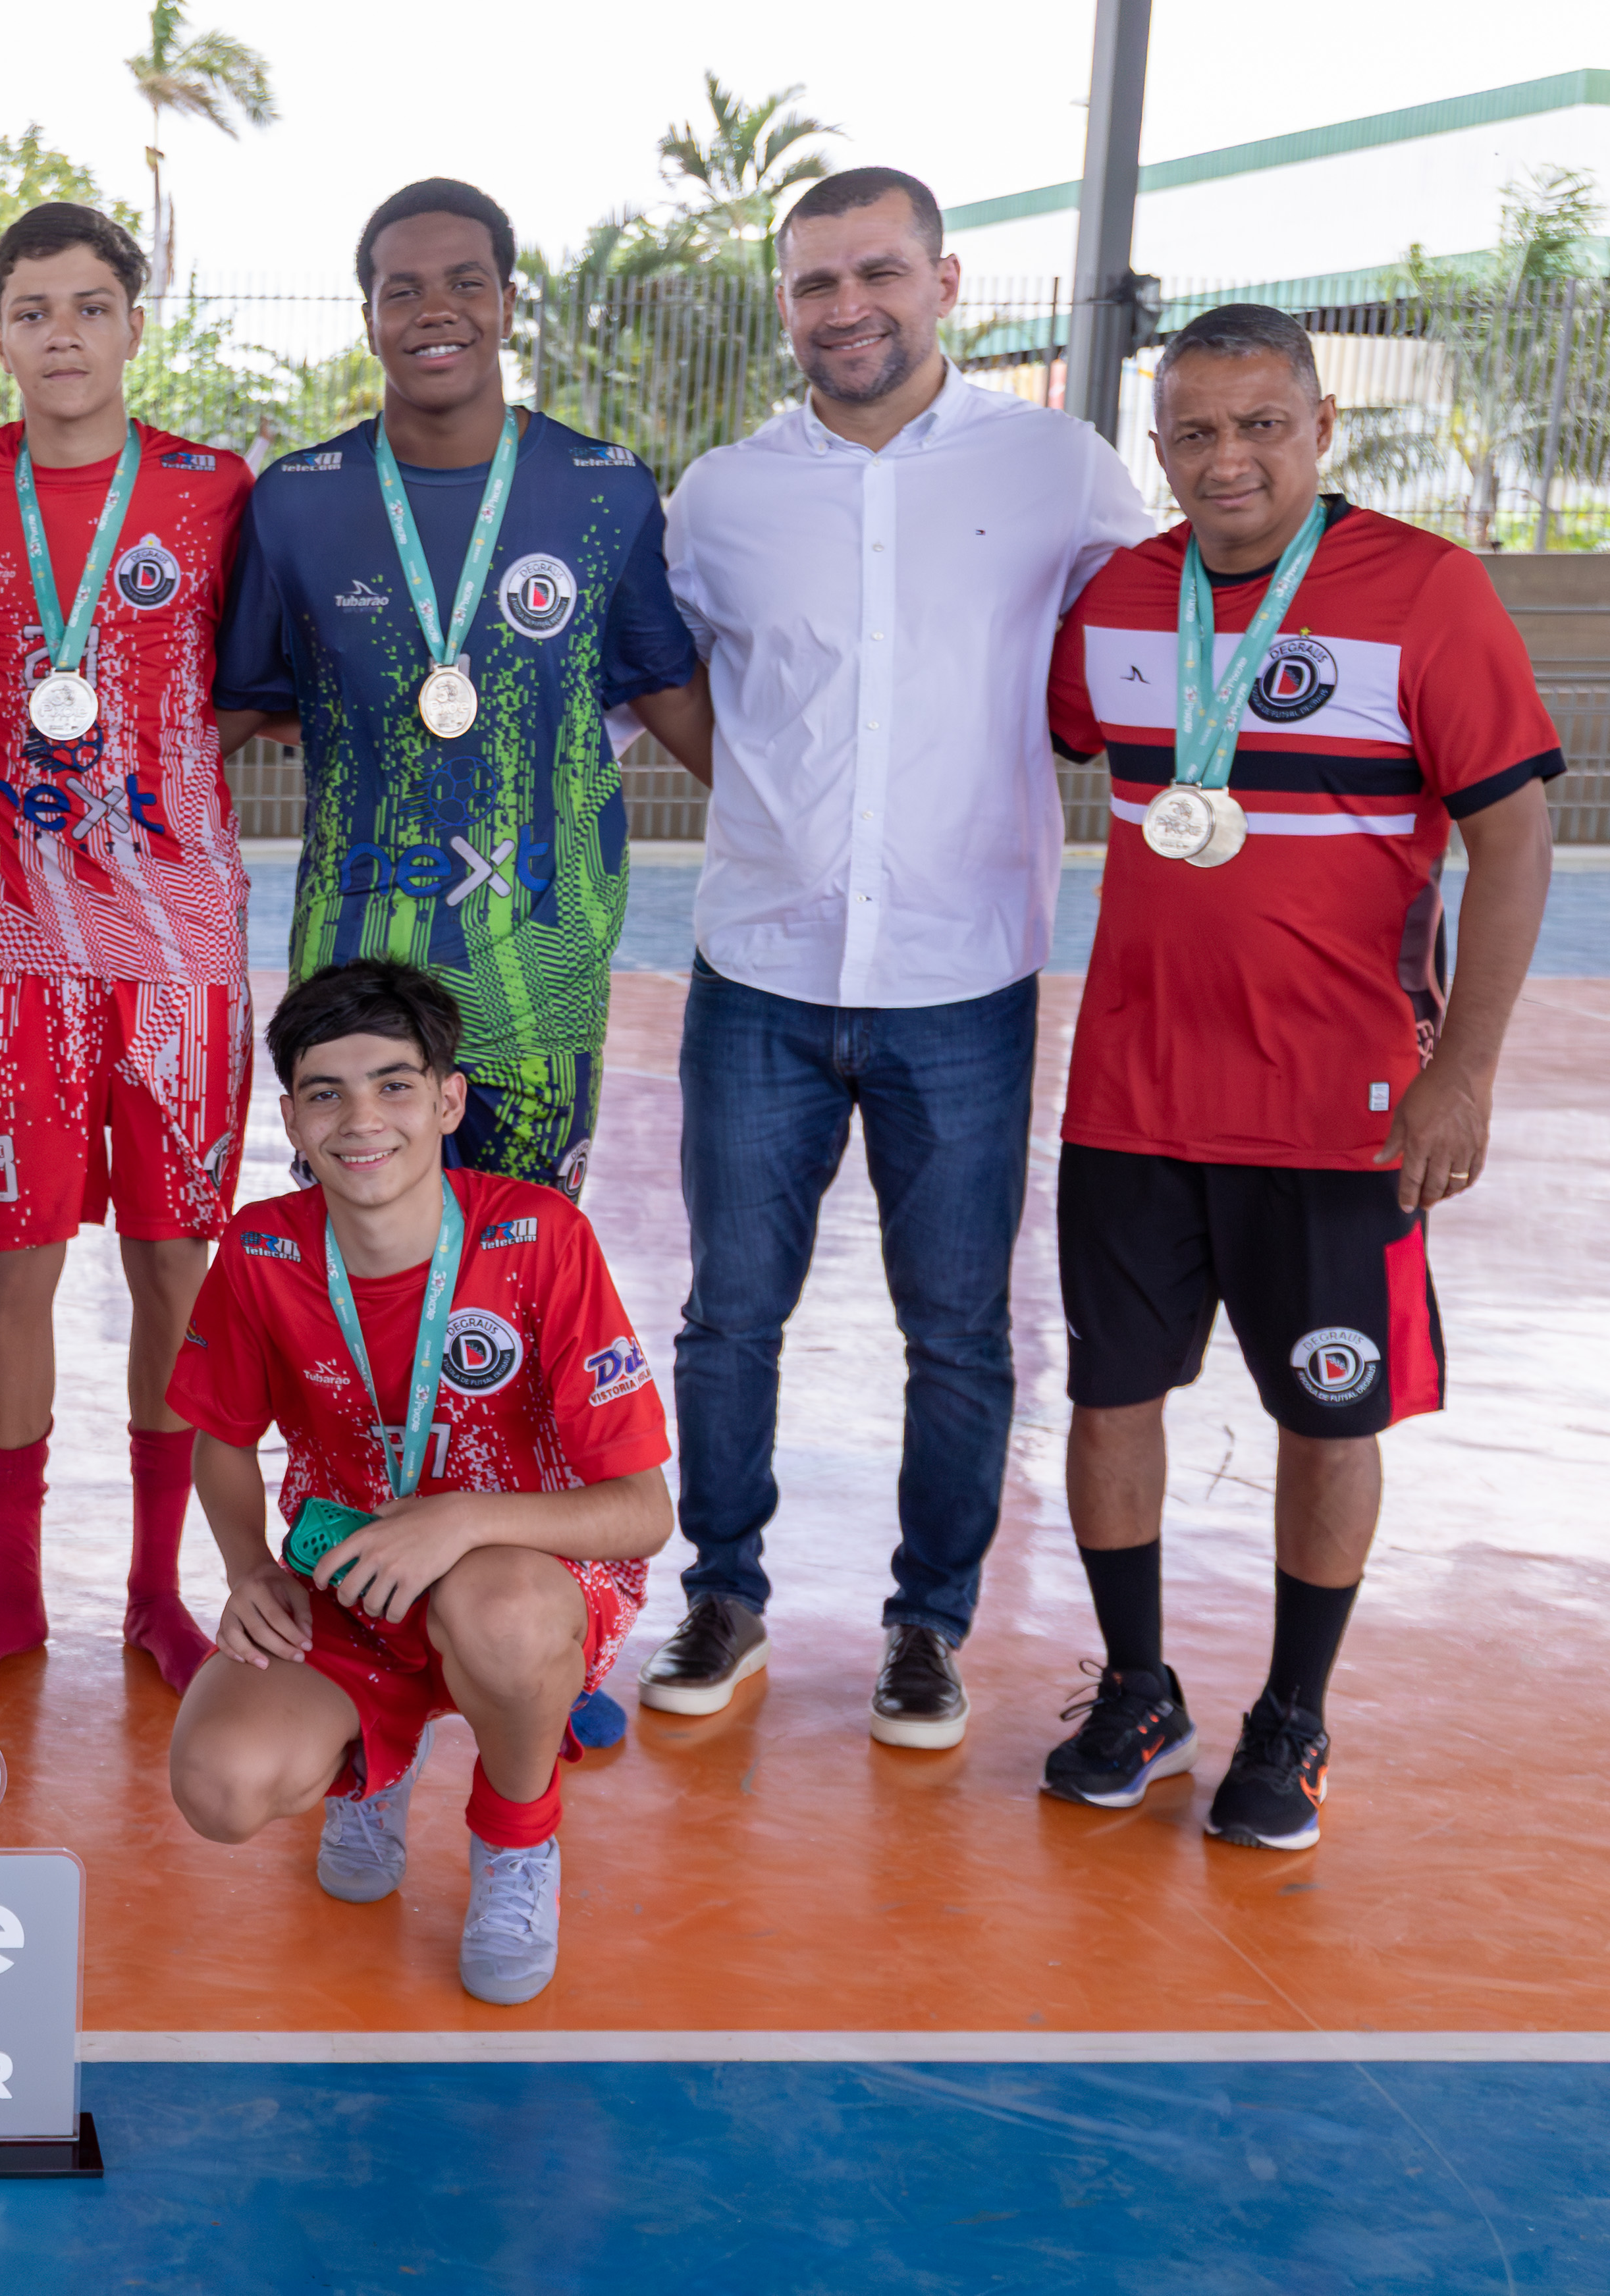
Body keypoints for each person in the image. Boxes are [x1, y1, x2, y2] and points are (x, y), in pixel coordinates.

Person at [643, 169, 1155, 1749]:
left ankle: (928, 1624)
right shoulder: (723, 495)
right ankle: (722, 1594)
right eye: (815, 282)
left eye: (878, 272)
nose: (847, 306)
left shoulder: (1060, 469)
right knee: (731, 1316)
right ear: (784, 304)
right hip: (761, 972)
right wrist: (766, 799)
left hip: (965, 978)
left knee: (960, 1330)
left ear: (945, 280)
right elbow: (658, 678)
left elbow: (1161, 646)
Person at [1039, 303, 1556, 1850]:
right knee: (1111, 1401)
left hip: (1342, 1110)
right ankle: (1138, 1689)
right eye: (1196, 432)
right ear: (1158, 448)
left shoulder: (1427, 592)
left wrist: (1463, 1071)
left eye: (1263, 425)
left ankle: (1293, 1714)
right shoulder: (1118, 603)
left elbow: (1514, 837)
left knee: (1331, 1415)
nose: (1230, 459)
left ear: (1322, 429)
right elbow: (1045, 742)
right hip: (1133, 1097)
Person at [212, 175, 705, 1750]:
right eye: (402, 287)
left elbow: (670, 692)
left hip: (541, 970)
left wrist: (814, 816)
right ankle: (375, 1607)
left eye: (465, 282)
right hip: (359, 963)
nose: (435, 311)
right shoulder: (298, 500)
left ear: (506, 300)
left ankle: (544, 1630)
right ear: (367, 312)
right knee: (369, 1280)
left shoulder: (603, 487)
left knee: (525, 1288)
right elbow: (234, 702)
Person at [164, 962, 670, 2006]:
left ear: (448, 1100)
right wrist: (250, 1567)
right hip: (350, 1584)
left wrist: (462, 1521)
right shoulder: (262, 1248)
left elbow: (643, 1513)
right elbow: (221, 1438)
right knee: (219, 1785)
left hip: (525, 1584)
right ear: (293, 1121)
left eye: (394, 1085)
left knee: (501, 1610)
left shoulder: (541, 1238)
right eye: (326, 1093)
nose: (362, 1120)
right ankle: (373, 1763)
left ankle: (516, 1838)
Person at [0, 201, 264, 1696]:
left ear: (133, 322)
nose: (62, 334)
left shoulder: (211, 486)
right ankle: (10, 1593)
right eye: (32, 310)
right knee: (17, 1266)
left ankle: (154, 1591)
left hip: (177, 936)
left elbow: (259, 670)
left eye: (89, 306)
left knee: (175, 1262)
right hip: (12, 936)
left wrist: (155, 764)